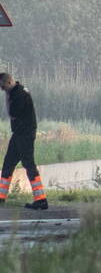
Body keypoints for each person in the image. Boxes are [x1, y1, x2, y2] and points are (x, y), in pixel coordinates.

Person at [0, 73, 47, 210]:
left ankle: (41, 200)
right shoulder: (18, 91)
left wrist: (7, 97)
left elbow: (12, 113)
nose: (2, 90)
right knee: (8, 163)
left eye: (2, 87)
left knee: (28, 164)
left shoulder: (18, 94)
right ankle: (1, 197)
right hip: (18, 134)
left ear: (9, 82)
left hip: (25, 134)